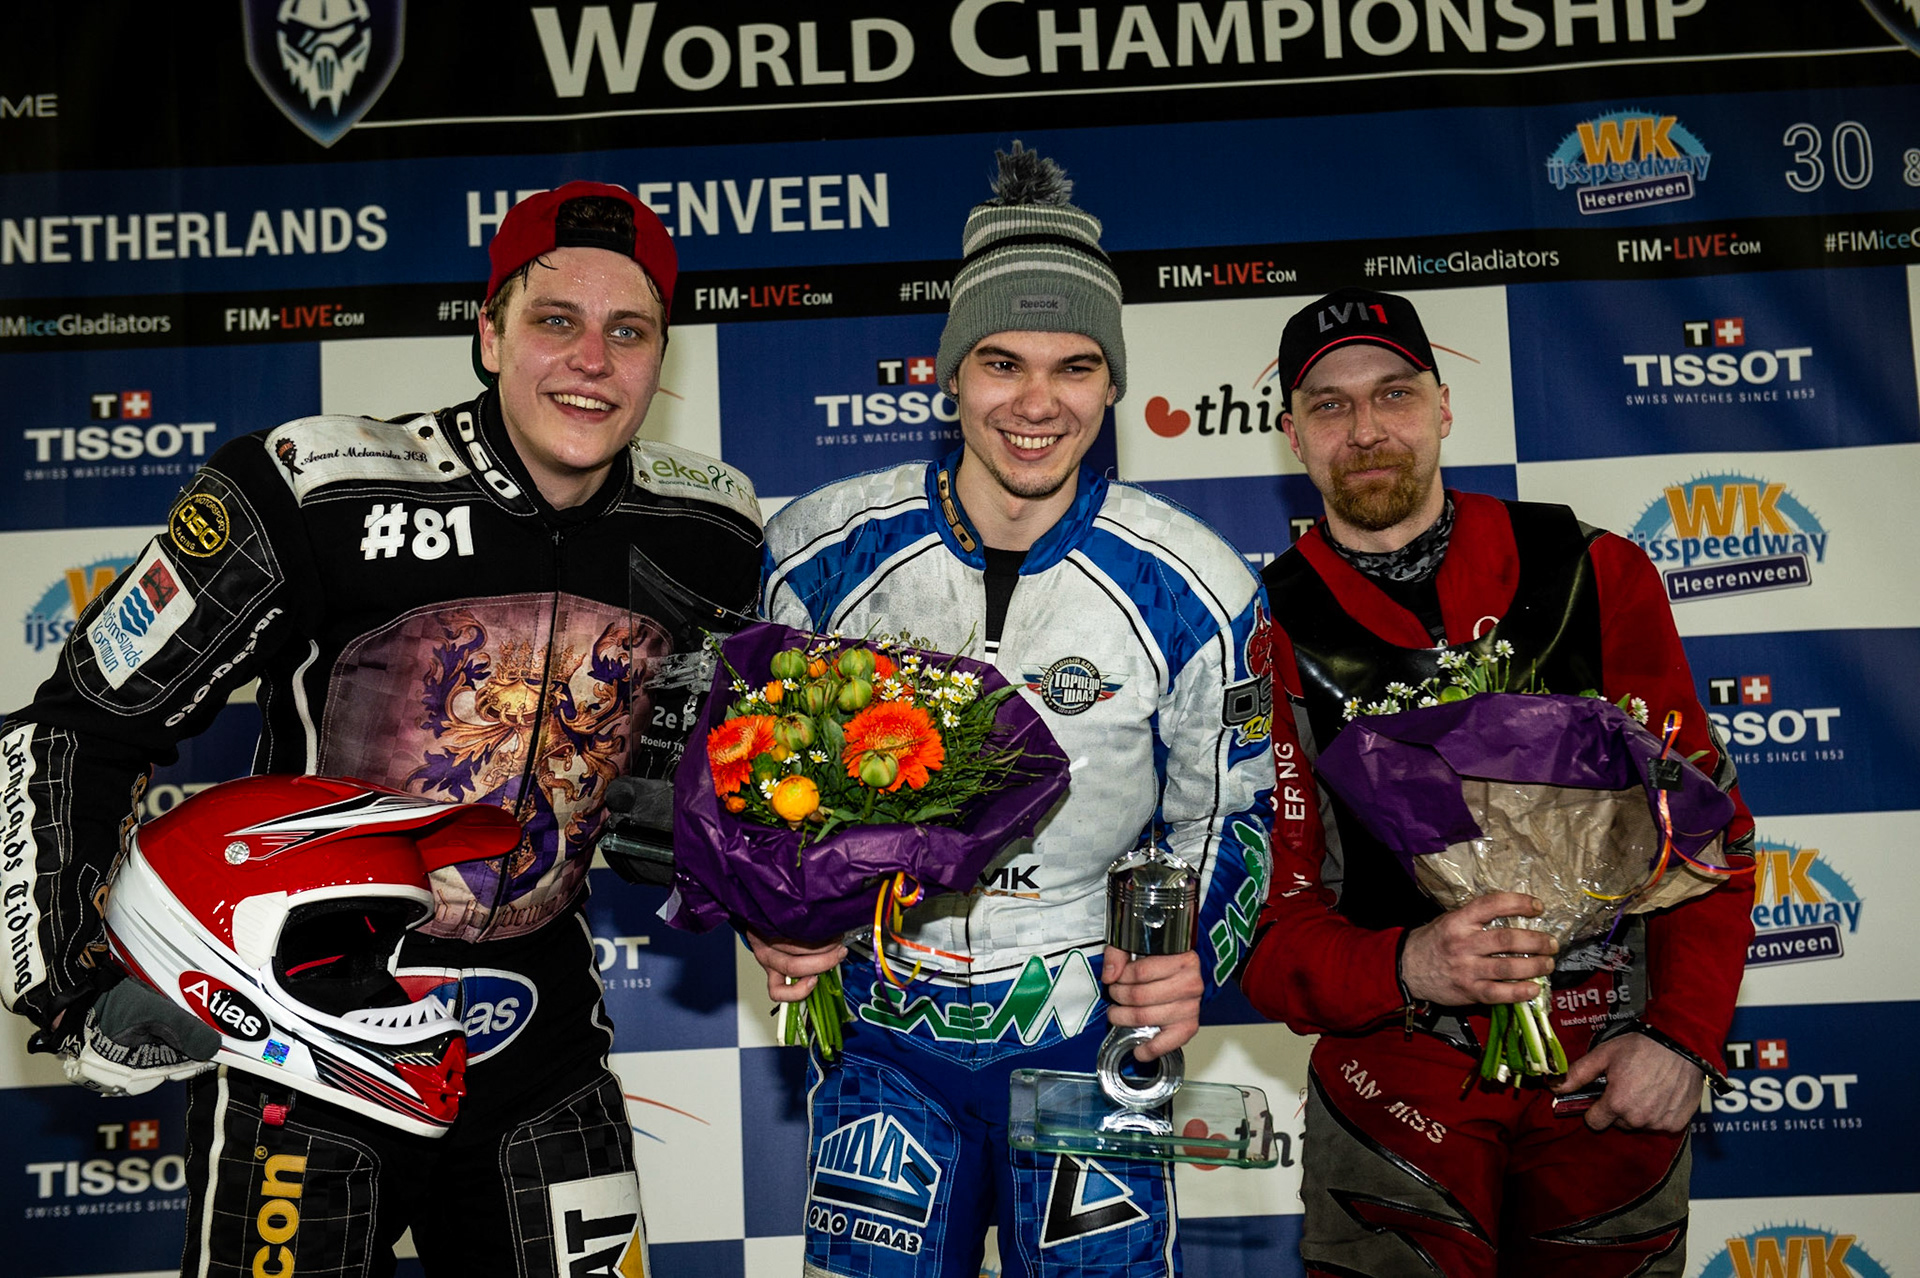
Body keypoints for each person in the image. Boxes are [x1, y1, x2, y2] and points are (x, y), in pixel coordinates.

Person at [0, 182, 764, 1277]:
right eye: (556, 321)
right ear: (489, 334)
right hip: (299, 1057)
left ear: (660, 358)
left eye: (629, 330)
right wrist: (79, 983)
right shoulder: (318, 488)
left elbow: (736, 782)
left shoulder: (713, 529)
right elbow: (76, 723)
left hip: (541, 1059)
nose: (592, 359)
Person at [750, 143, 1273, 1278]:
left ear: (1114, 384)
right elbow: (756, 787)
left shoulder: (1197, 583)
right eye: (1001, 362)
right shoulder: (822, 552)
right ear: (949, 373)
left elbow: (1240, 815)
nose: (1037, 404)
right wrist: (773, 911)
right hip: (883, 1037)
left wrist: (1189, 957)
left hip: (1090, 1043)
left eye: (1076, 367)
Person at [1238, 287, 1756, 1278]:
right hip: (1397, 1057)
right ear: (1290, 435)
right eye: (1330, 405)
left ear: (1442, 407)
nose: (1366, 429)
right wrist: (1403, 967)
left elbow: (1705, 825)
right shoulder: (1260, 629)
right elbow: (1270, 920)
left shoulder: (1594, 571)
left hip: (1608, 1052)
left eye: (1393, 395)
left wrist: (1682, 1041)